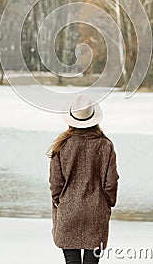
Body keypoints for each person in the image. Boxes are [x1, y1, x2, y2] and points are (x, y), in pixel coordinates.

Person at [46, 94, 120, 264]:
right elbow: (111, 182)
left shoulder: (61, 145)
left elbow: (55, 183)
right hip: (96, 211)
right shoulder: (105, 145)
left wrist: (61, 202)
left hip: (69, 211)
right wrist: (107, 203)